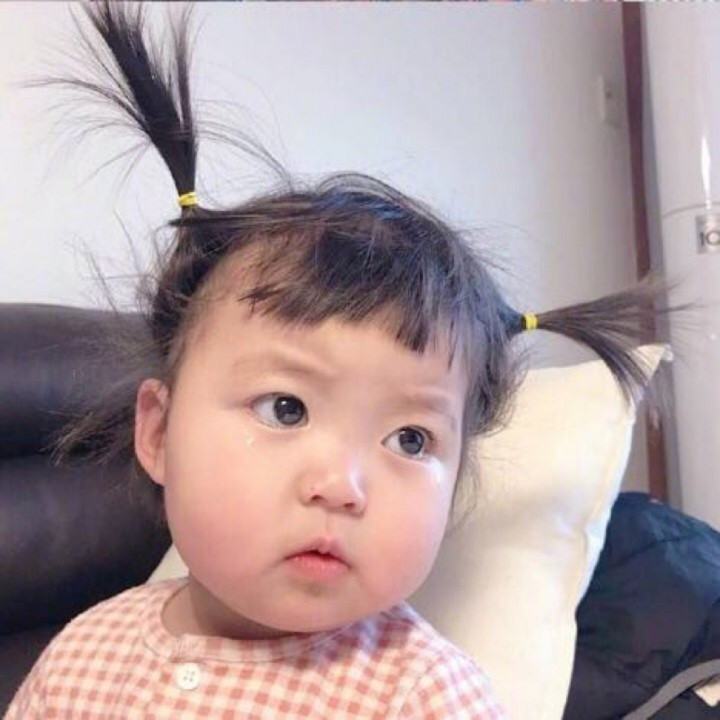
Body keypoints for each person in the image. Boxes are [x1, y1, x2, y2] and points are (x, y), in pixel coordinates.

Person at [5, 3, 671, 718]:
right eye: (286, 408)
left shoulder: (424, 696)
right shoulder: (86, 652)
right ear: (160, 433)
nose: (341, 486)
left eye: (410, 439)